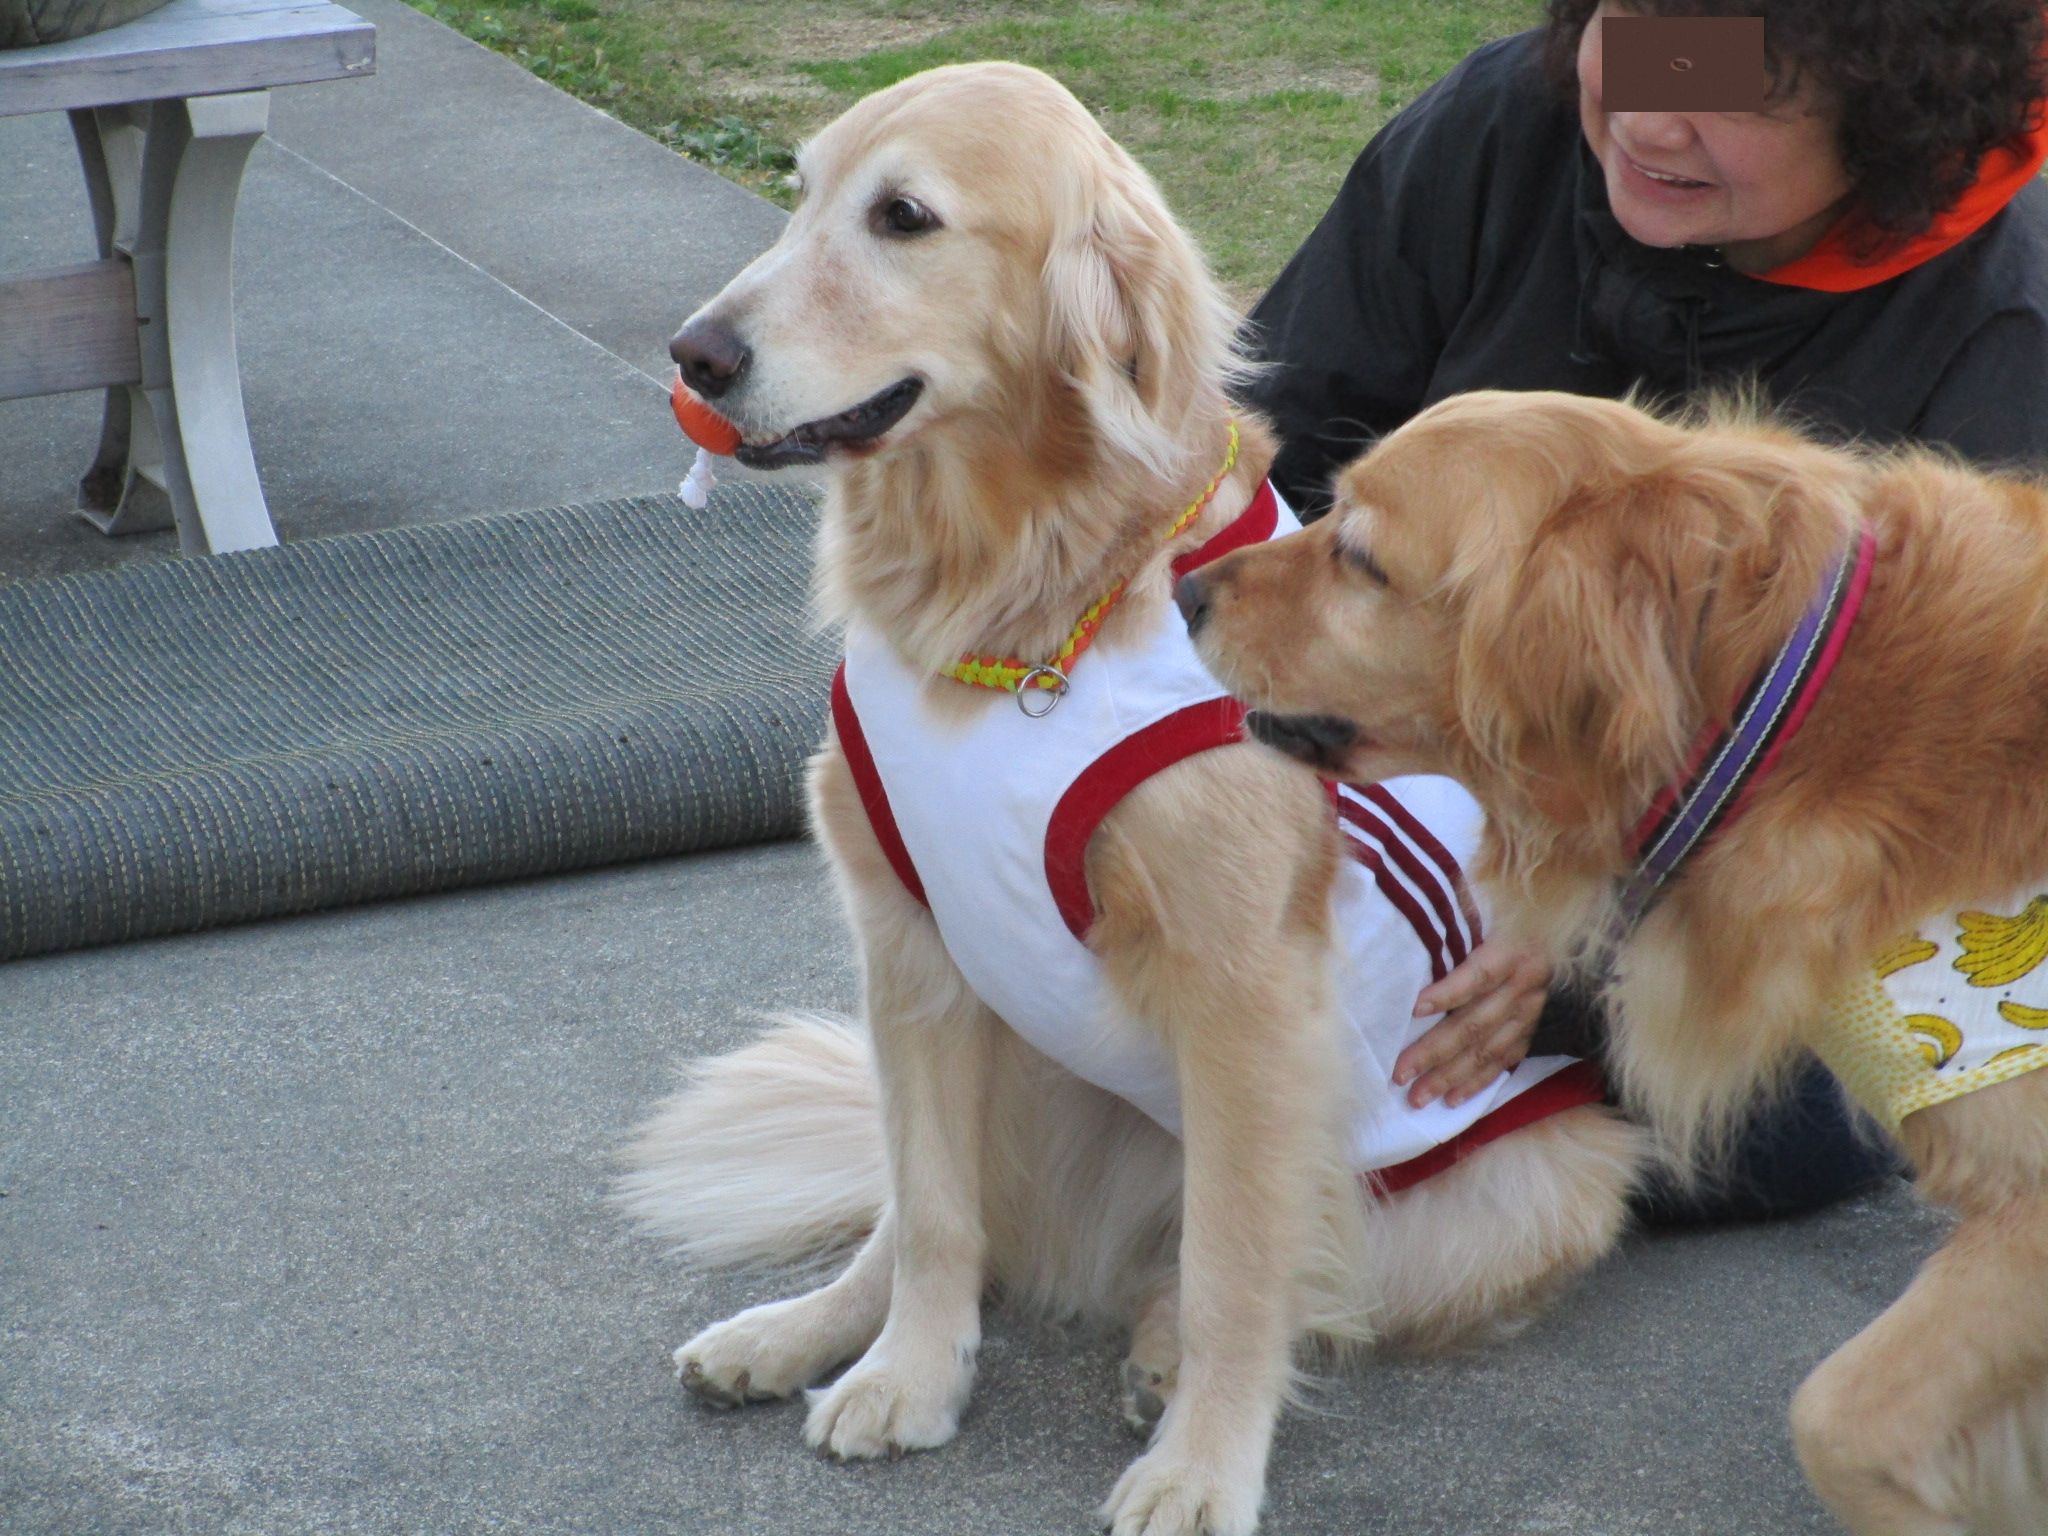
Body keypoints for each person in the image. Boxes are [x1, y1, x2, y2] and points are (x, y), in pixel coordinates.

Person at [1243, 0, 2048, 1222]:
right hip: (1383, 758)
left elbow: (1945, 831)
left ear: (1893, 106)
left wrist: (1583, 936)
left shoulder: (2008, 328)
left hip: (1750, 894)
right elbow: (1273, 456)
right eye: (1638, 39)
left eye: (1738, 84)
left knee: (1783, 1119)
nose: (1650, 118)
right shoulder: (1491, 134)